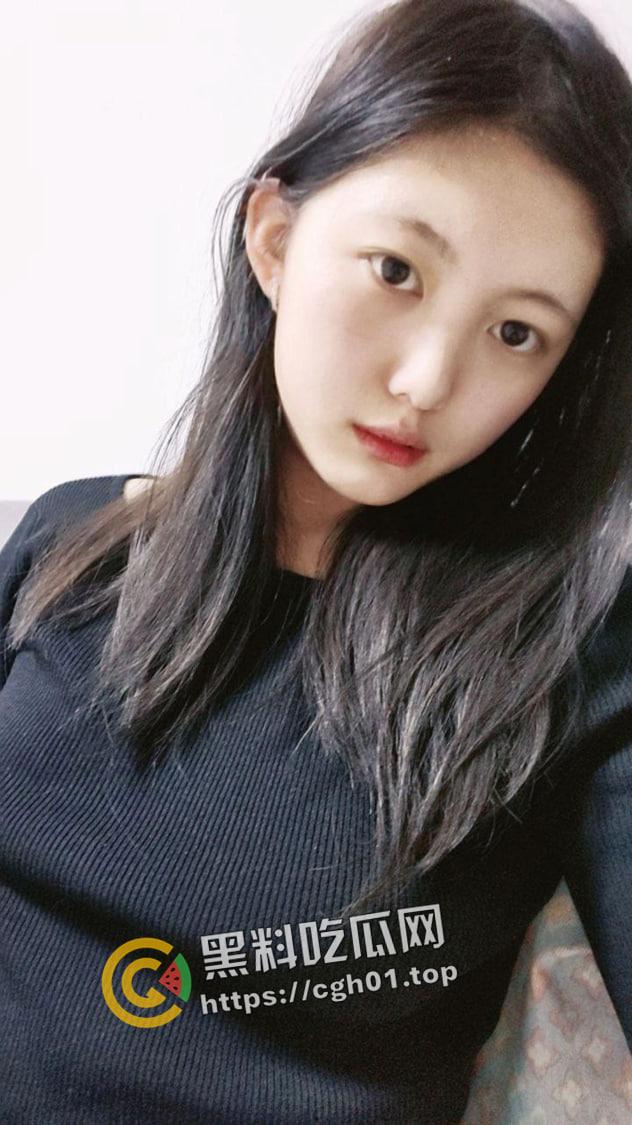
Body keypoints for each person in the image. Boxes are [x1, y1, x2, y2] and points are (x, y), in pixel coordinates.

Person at [1, 0, 631, 1120]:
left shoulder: (570, 655)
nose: (427, 380)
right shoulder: (72, 539)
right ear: (276, 240)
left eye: (516, 332)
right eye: (396, 269)